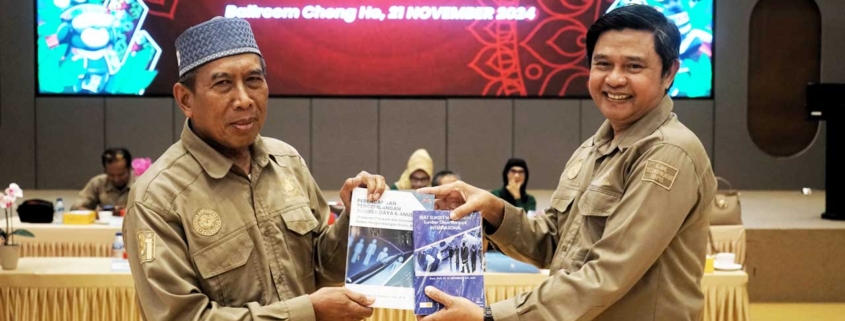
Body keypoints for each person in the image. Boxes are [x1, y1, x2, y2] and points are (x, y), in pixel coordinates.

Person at [417, 5, 717, 321]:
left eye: (633, 66)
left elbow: (607, 273)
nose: (614, 79)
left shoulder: (668, 153)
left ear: (669, 72)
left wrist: (491, 317)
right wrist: (492, 209)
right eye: (603, 64)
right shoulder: (593, 149)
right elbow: (554, 243)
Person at [122, 17, 386, 321]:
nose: (244, 99)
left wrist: (356, 217)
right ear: (185, 99)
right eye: (223, 84)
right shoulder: (157, 198)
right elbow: (182, 317)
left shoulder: (286, 161)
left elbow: (322, 268)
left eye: (254, 80)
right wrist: (307, 312)